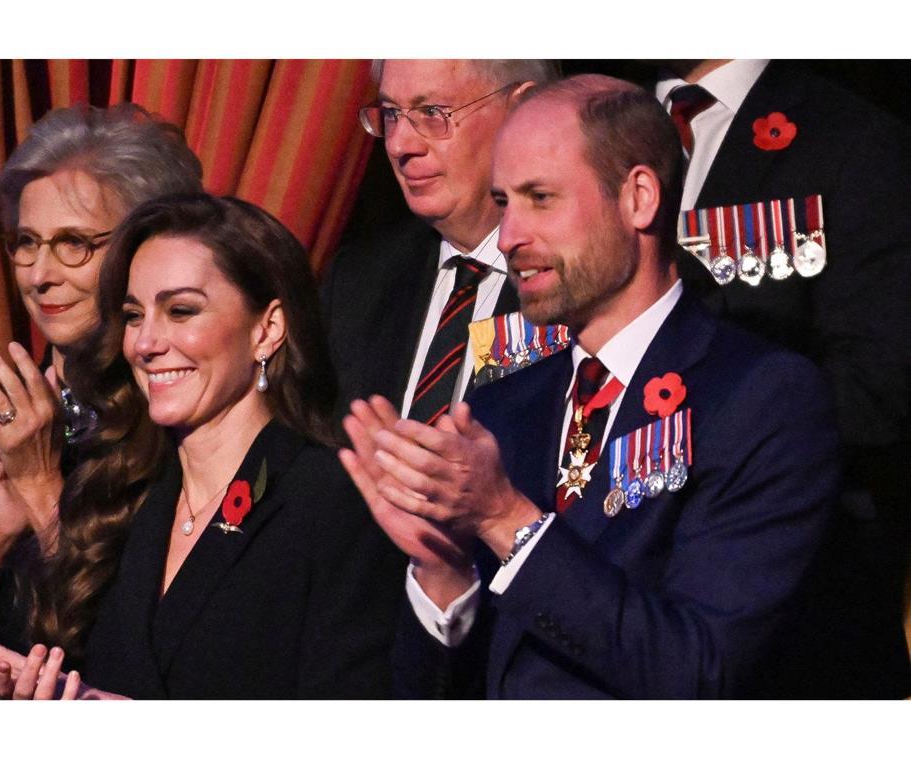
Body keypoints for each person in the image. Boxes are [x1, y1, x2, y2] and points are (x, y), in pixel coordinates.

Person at [340, 75, 840, 698]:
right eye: (504, 202)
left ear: (638, 197)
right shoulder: (499, 405)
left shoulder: (761, 399)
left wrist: (506, 520)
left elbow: (702, 670)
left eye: (540, 198)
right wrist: (443, 573)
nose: (511, 235)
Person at [0, 194, 405, 699]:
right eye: (134, 315)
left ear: (268, 328)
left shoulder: (333, 500)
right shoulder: (122, 492)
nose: (145, 344)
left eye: (181, 310)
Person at [0, 103, 203, 698]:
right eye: (26, 242)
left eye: (73, 244)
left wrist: (43, 488)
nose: (39, 274)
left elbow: (135, 666)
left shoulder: (181, 432)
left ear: (145, 250)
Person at [654, 59, 911, 698]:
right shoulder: (591, 123)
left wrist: (676, 462)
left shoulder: (852, 140)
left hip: (786, 615)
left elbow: (876, 390)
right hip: (601, 610)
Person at [321, 59, 557, 424]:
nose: (400, 145)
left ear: (522, 110)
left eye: (432, 112)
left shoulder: (586, 278)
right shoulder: (358, 281)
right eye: (390, 114)